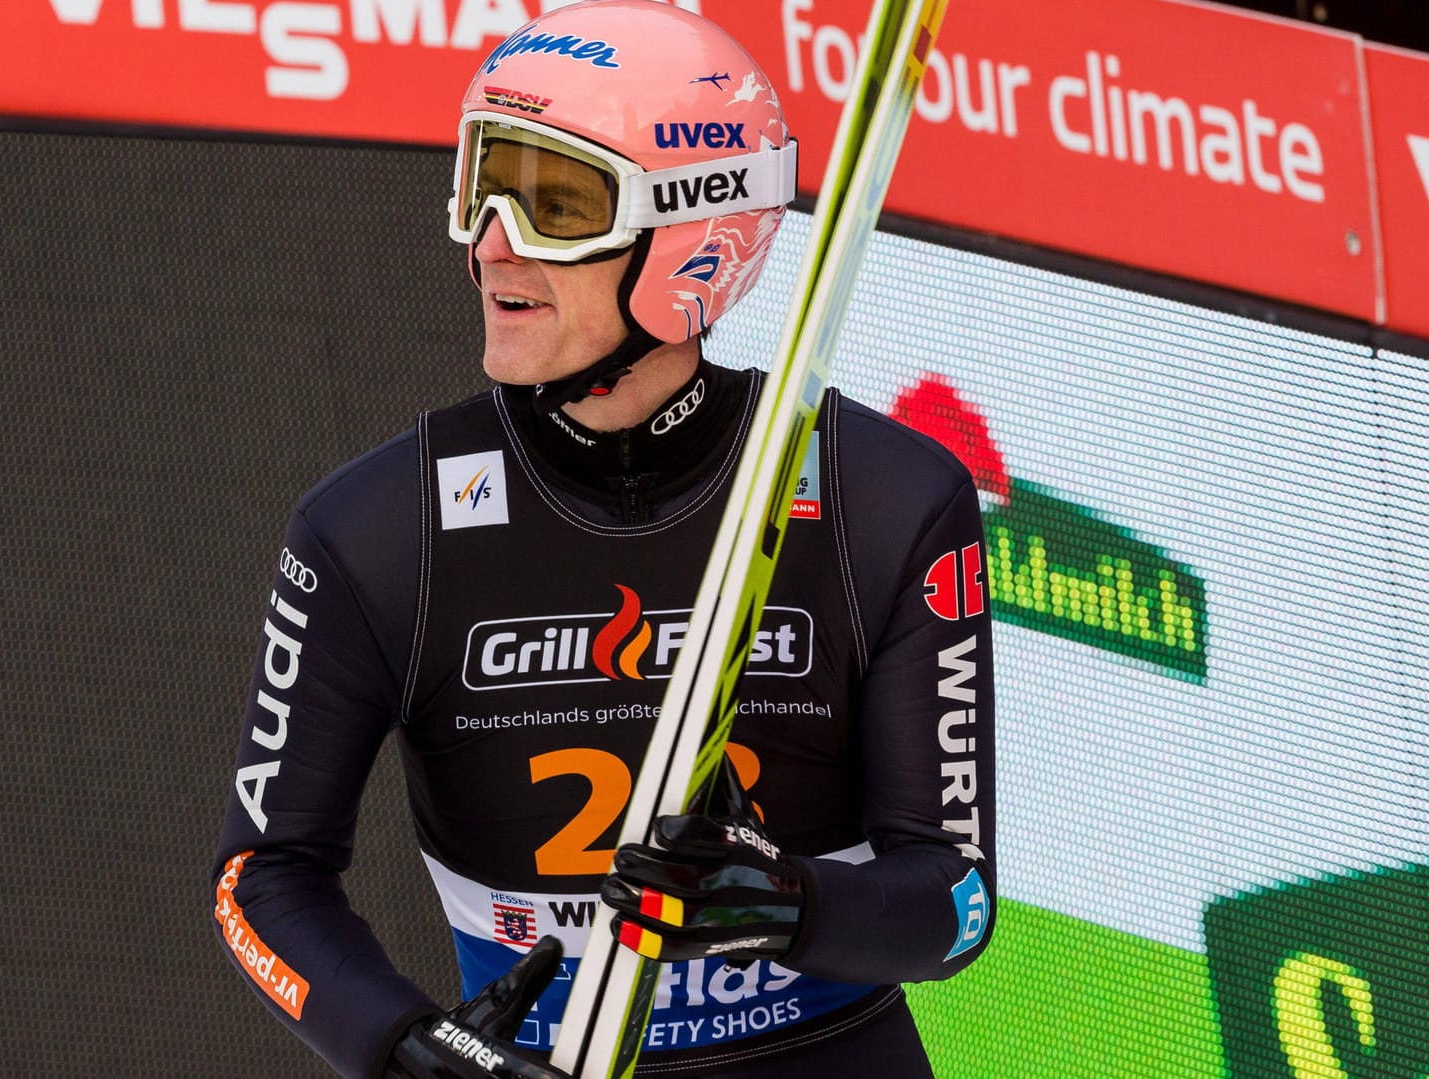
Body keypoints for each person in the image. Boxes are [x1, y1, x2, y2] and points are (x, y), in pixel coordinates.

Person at [210, 3, 996, 1077]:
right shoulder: (378, 531)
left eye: (553, 202)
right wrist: (398, 1045)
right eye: (482, 180)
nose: (492, 241)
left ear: (691, 239)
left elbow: (957, 901)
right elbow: (259, 876)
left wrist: (795, 901)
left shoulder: (890, 498)